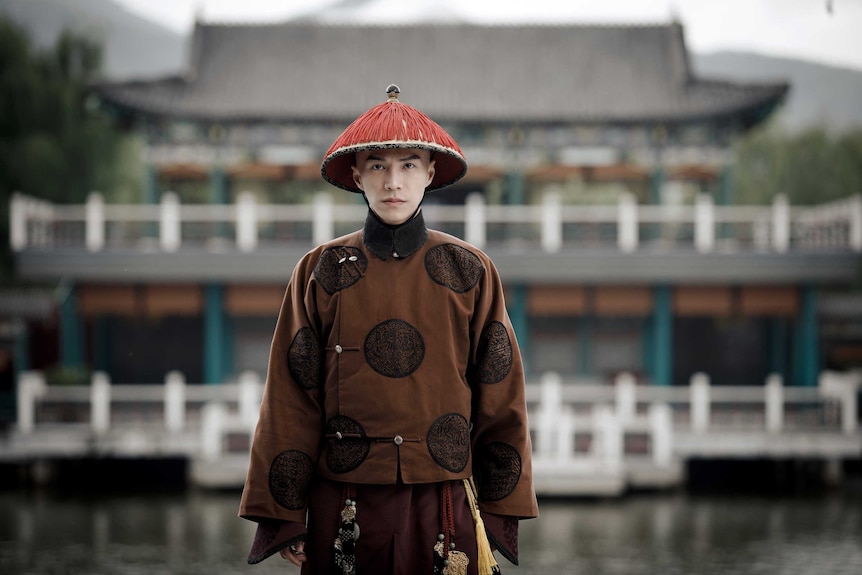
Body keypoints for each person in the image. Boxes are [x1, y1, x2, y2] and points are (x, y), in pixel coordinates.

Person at [239, 84, 539, 575]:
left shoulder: (470, 270)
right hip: (344, 504)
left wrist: (497, 506)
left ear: (430, 173)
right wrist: (286, 515)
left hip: (445, 503)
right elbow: (290, 396)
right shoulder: (320, 269)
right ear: (357, 175)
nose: (393, 181)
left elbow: (500, 393)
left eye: (408, 165)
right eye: (377, 165)